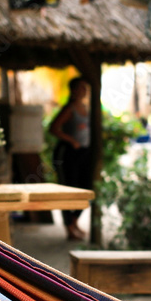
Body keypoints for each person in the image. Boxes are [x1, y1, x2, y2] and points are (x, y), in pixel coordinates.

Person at [49, 78, 92, 241]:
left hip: (84, 153)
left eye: (85, 87)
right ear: (74, 90)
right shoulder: (70, 109)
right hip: (68, 154)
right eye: (81, 87)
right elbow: (53, 128)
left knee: (86, 188)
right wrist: (71, 140)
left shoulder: (87, 108)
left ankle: (74, 222)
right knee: (68, 189)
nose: (84, 90)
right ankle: (69, 228)